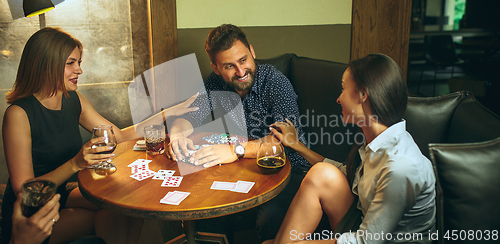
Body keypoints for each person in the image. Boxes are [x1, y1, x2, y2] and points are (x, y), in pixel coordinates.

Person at [1, 27, 198, 244]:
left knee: (127, 204)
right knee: (113, 215)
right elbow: (25, 189)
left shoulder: (73, 98)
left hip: (61, 194)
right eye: (70, 63)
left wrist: (166, 113)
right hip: (31, 212)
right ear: (46, 63)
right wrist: (75, 164)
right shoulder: (18, 114)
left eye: (79, 62)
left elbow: (119, 136)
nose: (79, 70)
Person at [267, 53, 436, 243]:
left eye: (343, 88)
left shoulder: (400, 167)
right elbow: (345, 173)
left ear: (363, 94)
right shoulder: (377, 142)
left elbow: (366, 241)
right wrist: (297, 146)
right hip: (364, 224)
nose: (338, 99)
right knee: (321, 173)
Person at [166, 24, 311, 241]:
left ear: (252, 52)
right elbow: (189, 116)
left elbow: (286, 141)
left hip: (290, 170)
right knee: (205, 210)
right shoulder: (214, 83)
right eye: (229, 66)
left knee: (271, 217)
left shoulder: (275, 83)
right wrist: (177, 134)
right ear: (216, 68)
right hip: (243, 170)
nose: (241, 72)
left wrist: (236, 150)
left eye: (243, 60)